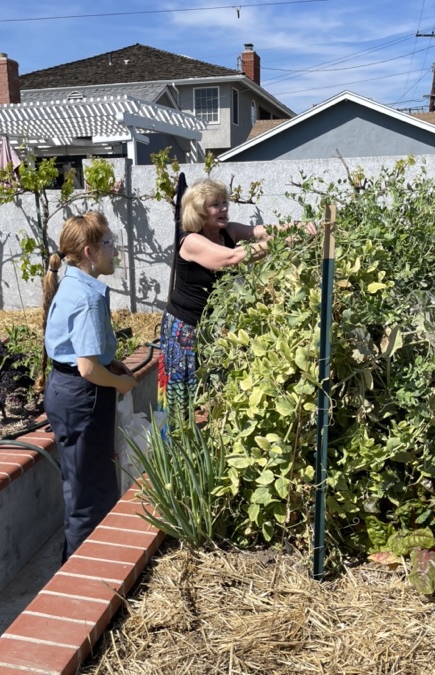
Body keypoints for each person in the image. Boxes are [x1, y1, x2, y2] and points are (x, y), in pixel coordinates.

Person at [158, 178, 306, 419]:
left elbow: (260, 231)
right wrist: (279, 243)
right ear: (198, 211)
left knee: (211, 392)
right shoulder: (191, 240)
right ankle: (173, 448)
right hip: (184, 328)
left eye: (224, 202)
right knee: (180, 398)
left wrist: (297, 227)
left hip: (211, 327)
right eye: (215, 204)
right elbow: (231, 258)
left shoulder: (228, 232)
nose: (224, 208)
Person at [41, 211, 138, 561]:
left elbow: (80, 352)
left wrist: (109, 364)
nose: (115, 251)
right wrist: (121, 383)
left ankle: (77, 560)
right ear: (88, 251)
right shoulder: (88, 297)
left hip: (64, 390)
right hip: (84, 397)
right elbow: (86, 368)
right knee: (91, 493)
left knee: (80, 483)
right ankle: (81, 574)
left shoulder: (72, 283)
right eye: (109, 244)